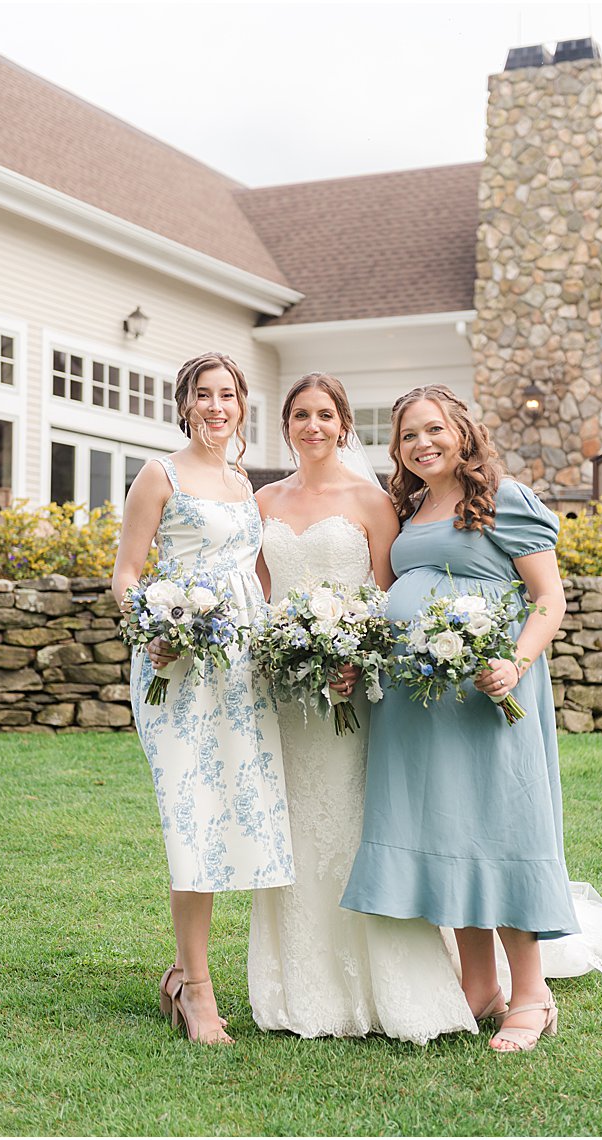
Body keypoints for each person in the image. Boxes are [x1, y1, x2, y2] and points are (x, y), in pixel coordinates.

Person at [339, 384, 602, 1053]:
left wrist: (516, 663)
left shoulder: (505, 499)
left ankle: (532, 994)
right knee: (452, 833)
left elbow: (549, 599)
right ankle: (480, 988)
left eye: (433, 429)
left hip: (487, 697)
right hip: (420, 706)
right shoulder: (409, 508)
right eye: (408, 435)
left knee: (502, 830)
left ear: (462, 431)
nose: (422, 444)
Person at [246, 372, 479, 1042]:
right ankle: (300, 990)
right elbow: (259, 597)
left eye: (325, 414)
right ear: (286, 425)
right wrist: (285, 652)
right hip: (289, 702)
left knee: (353, 828)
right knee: (295, 833)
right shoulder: (263, 501)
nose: (312, 426)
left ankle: (388, 986)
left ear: (344, 424)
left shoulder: (375, 503)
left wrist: (356, 655)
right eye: (299, 415)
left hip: (356, 695)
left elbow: (390, 600)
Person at [111, 351, 293, 1046]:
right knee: (193, 818)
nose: (217, 406)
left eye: (228, 395)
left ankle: (182, 975)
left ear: (242, 405)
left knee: (229, 818)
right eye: (204, 395)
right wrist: (154, 630)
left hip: (241, 670)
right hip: (178, 668)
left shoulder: (243, 480)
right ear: (185, 402)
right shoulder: (161, 475)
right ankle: (198, 993)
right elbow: (127, 573)